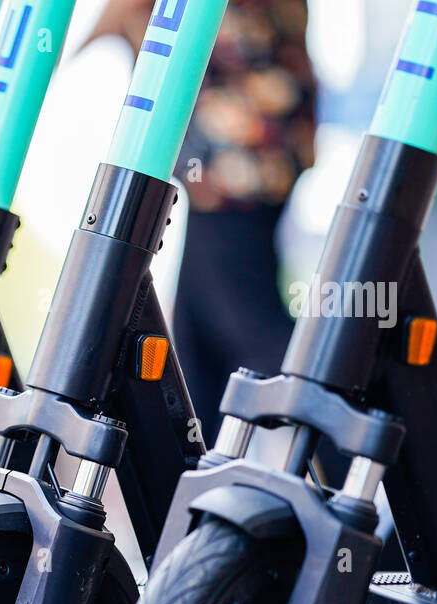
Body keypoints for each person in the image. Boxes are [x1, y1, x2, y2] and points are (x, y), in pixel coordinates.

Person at [90, 0, 317, 441]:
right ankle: (187, 492)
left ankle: (358, 464)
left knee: (251, 331)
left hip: (239, 167)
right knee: (197, 350)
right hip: (241, 167)